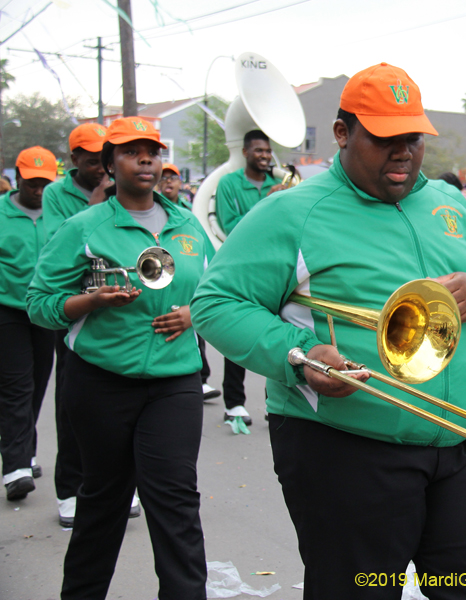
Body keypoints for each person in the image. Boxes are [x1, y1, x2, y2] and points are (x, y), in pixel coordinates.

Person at [191, 62, 466, 600]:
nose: (403, 152)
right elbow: (215, 301)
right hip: (346, 447)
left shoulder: (449, 203)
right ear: (343, 134)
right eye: (384, 138)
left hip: (463, 439)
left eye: (412, 138)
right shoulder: (291, 212)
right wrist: (297, 354)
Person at [27, 117, 212, 598]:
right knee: (104, 502)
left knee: (175, 502)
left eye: (151, 149)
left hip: (175, 382)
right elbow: (40, 304)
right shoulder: (83, 227)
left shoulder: (188, 223)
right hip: (100, 382)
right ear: (110, 164)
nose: (145, 158)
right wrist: (91, 301)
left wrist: (193, 313)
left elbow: (220, 292)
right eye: (131, 151)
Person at [41, 122, 139, 526]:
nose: (99, 165)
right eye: (91, 157)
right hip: (78, 313)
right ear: (76, 159)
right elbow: (56, 246)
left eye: (105, 156)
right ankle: (70, 488)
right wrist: (100, 200)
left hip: (124, 314)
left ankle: (121, 485)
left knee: (126, 412)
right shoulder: (57, 195)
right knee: (73, 407)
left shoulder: (130, 190)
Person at [214, 130, 287, 428]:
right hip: (242, 266)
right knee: (239, 333)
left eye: (268, 150)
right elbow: (227, 224)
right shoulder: (229, 183)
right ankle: (234, 403)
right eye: (258, 150)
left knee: (282, 337)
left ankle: (277, 402)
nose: (265, 155)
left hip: (276, 267)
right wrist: (265, 206)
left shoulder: (280, 184)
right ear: (245, 152)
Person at [0, 147, 57, 501]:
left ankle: (25, 448)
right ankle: (15, 465)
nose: (38, 190)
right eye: (32, 182)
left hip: (45, 311)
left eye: (44, 184)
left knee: (37, 383)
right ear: (18, 178)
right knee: (16, 386)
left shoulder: (56, 214)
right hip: (8, 310)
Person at [158, 163, 220, 402]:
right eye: (164, 179)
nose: (168, 182)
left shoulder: (189, 214)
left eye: (172, 177)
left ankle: (200, 378)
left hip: (188, 291)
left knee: (196, 332)